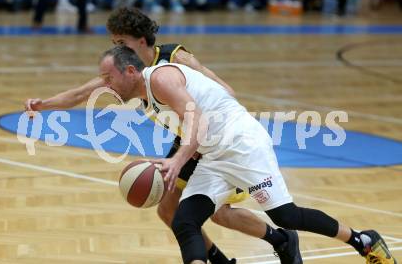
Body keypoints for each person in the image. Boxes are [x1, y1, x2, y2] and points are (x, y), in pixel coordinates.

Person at [25, 7, 303, 264]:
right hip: (187, 141)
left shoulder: (175, 58)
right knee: (168, 211)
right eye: (114, 44)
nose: (117, 49)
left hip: (215, 138)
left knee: (220, 213)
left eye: (122, 42)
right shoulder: (124, 72)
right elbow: (80, 93)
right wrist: (44, 104)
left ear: (141, 41)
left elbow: (226, 91)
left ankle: (281, 239)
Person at [98, 45, 398, 264]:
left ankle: (363, 240)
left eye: (108, 78)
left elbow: (198, 121)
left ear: (131, 71)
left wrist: (177, 160)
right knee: (183, 221)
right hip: (213, 155)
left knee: (286, 215)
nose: (104, 85)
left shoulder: (160, 78)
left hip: (242, 143)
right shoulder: (144, 97)